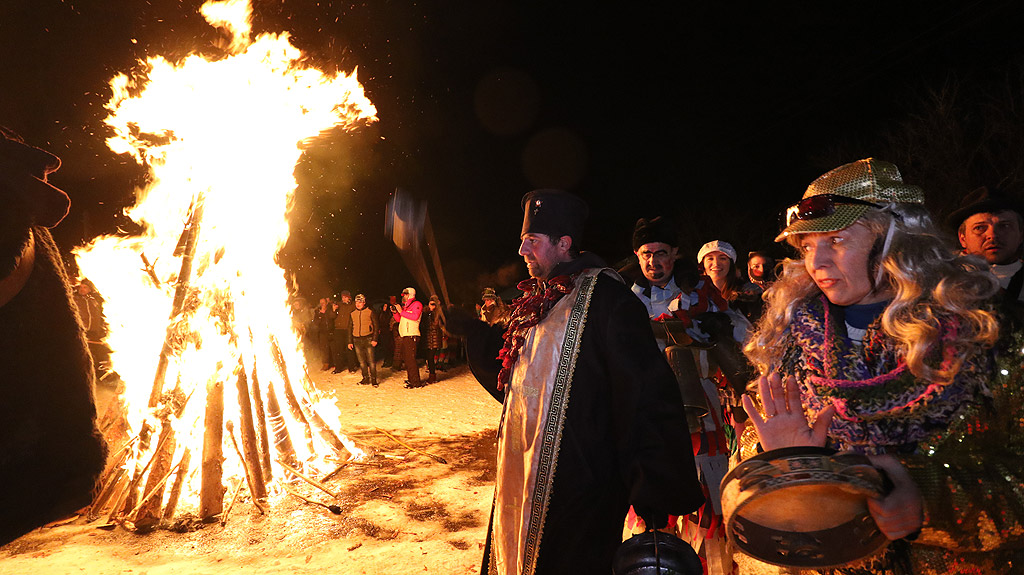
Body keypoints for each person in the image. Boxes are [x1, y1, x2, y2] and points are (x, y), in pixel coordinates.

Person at [742, 158, 1024, 572]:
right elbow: (755, 453)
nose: (815, 263)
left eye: (836, 240)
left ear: (895, 240)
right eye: (806, 246)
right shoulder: (788, 340)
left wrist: (929, 501)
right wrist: (788, 466)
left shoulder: (985, 335)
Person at [455, 189, 703, 575]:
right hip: (522, 474)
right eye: (523, 241)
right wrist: (472, 331)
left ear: (564, 243)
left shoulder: (607, 299)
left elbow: (645, 392)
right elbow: (516, 378)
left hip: (583, 484)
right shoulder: (537, 301)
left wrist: (653, 483)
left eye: (532, 241)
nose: (522, 250)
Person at [947, 186, 1024, 302]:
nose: (992, 235)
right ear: (962, 238)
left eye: (1005, 226)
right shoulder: (942, 279)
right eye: (979, 228)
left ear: (1021, 235)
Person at [392, 286, 423, 388]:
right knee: (407, 359)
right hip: (405, 335)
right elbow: (400, 320)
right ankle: (411, 379)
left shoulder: (417, 304)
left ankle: (416, 382)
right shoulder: (406, 307)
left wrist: (401, 311)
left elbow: (415, 317)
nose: (403, 297)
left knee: (411, 359)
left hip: (412, 335)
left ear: (410, 295)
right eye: (403, 295)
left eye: (405, 295)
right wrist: (395, 312)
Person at [347, 294, 378, 386]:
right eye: (356, 302)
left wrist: (375, 339)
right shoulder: (353, 314)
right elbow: (350, 328)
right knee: (361, 362)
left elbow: (376, 326)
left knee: (371, 361)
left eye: (360, 302)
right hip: (356, 339)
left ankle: (373, 379)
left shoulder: (370, 312)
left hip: (368, 338)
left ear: (364, 303)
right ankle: (365, 378)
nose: (358, 304)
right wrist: (349, 341)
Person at [332, 290, 357, 373]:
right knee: (338, 350)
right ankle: (338, 367)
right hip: (338, 330)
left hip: (348, 330)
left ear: (349, 297)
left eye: (345, 297)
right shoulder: (338, 305)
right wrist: (333, 310)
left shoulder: (353, 305)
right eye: (343, 297)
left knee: (349, 349)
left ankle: (352, 367)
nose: (344, 299)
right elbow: (331, 316)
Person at [424, 294, 446, 383]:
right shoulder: (426, 312)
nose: (432, 305)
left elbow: (436, 325)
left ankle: (432, 376)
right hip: (428, 338)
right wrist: (428, 310)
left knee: (431, 357)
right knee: (428, 358)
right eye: (431, 303)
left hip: (435, 338)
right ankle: (431, 375)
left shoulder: (439, 313)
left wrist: (434, 311)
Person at [313, 297, 336, 370]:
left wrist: (333, 310)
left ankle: (334, 363)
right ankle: (326, 364)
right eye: (321, 303)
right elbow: (315, 322)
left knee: (333, 348)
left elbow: (333, 317)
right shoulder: (317, 312)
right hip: (322, 332)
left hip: (331, 331)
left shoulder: (329, 309)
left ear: (326, 303)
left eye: (323, 302)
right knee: (324, 349)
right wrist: (320, 315)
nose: (322, 304)